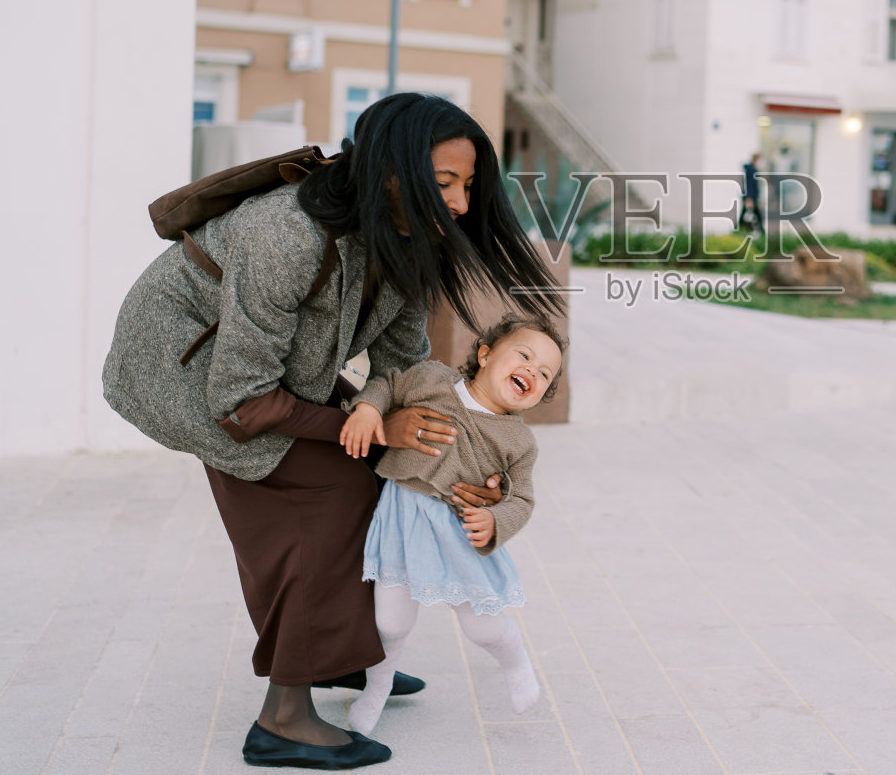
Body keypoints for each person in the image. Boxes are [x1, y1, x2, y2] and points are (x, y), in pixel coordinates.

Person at [102, 93, 563, 770]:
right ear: (389, 173)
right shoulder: (287, 233)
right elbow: (242, 402)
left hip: (273, 374)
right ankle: (284, 716)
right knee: (322, 502)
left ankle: (342, 657)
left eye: (468, 186)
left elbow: (405, 365)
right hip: (186, 370)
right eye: (444, 185)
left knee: (378, 479)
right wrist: (370, 426)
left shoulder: (411, 239)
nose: (462, 204)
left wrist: (456, 455)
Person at [337, 314, 565, 736]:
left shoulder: (518, 442)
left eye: (544, 374)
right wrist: (369, 407)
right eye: (525, 356)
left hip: (456, 533)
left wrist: (494, 519)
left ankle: (515, 661)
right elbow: (387, 382)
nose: (533, 371)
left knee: (482, 625)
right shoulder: (432, 380)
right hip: (402, 520)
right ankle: (377, 688)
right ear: (485, 354)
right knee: (390, 622)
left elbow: (523, 499)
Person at [740, 153, 763, 233]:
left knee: (749, 214)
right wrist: (748, 198)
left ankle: (739, 229)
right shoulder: (751, 171)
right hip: (750, 197)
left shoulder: (752, 170)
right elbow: (749, 185)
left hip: (752, 197)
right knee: (756, 215)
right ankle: (739, 229)